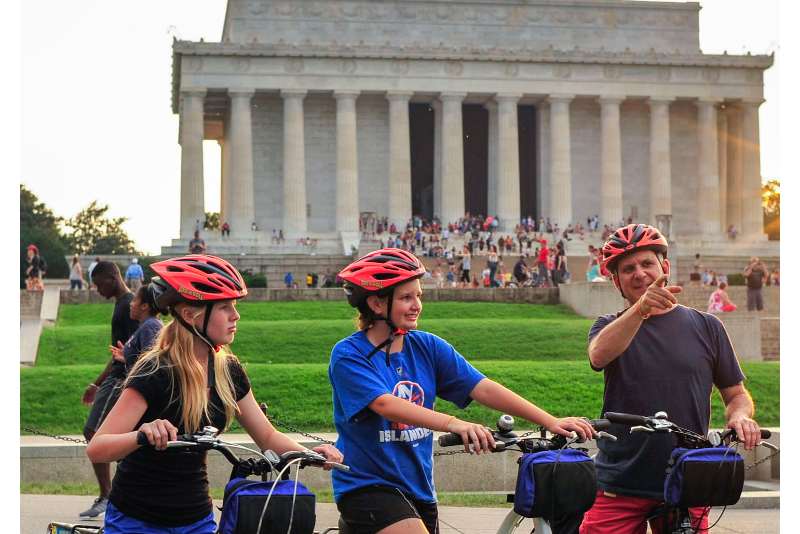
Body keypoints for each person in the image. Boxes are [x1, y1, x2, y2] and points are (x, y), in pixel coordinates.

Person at [330, 248, 595, 534]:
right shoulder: (349, 354)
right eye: (406, 297)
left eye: (419, 295)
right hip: (367, 486)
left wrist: (550, 421)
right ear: (377, 304)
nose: (417, 304)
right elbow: (385, 405)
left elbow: (483, 387)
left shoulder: (427, 346)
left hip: (419, 489)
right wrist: (454, 423)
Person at [86, 255, 342, 533]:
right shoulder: (156, 371)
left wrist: (311, 454)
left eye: (234, 305)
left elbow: (267, 436)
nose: (236, 315)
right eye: (224, 307)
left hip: (196, 518)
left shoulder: (227, 371)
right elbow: (98, 448)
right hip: (136, 520)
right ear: (189, 314)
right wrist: (143, 433)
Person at [579, 224, 762, 534]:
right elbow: (598, 356)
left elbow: (736, 395)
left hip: (687, 477)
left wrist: (741, 417)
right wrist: (640, 310)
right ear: (616, 282)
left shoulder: (707, 326)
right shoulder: (609, 325)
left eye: (647, 263)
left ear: (664, 266)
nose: (639, 273)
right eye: (628, 269)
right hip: (621, 479)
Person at [80, 262, 140, 518]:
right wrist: (96, 382)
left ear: (113, 277)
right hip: (116, 377)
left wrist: (102, 382)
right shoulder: (121, 304)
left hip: (120, 379)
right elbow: (119, 350)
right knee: (111, 436)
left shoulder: (128, 306)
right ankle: (116, 494)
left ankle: (108, 495)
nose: (97, 289)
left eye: (99, 283)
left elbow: (129, 351)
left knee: (93, 431)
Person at [110, 285, 164, 374]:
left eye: (134, 300)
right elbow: (142, 360)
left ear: (144, 306)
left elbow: (149, 363)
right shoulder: (146, 325)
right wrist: (127, 357)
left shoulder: (150, 326)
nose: (130, 304)